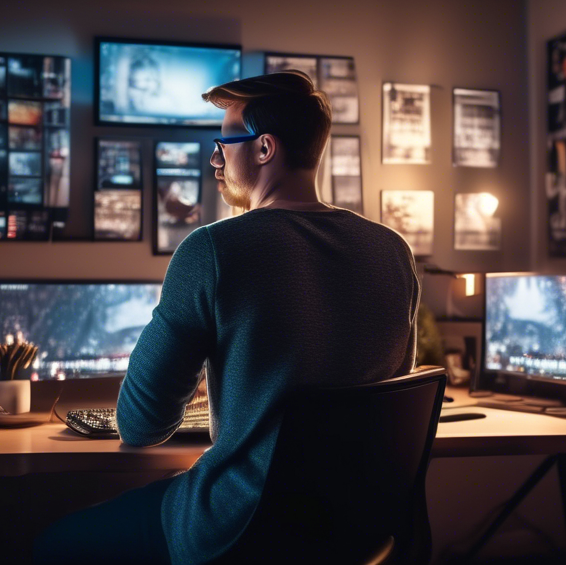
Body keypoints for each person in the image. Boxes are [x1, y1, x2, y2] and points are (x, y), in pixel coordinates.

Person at [33, 71, 419, 565]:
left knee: (49, 545)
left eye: (224, 141)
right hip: (356, 529)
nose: (215, 157)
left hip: (240, 530)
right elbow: (385, 395)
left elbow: (140, 425)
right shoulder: (393, 252)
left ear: (263, 149)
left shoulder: (212, 249)